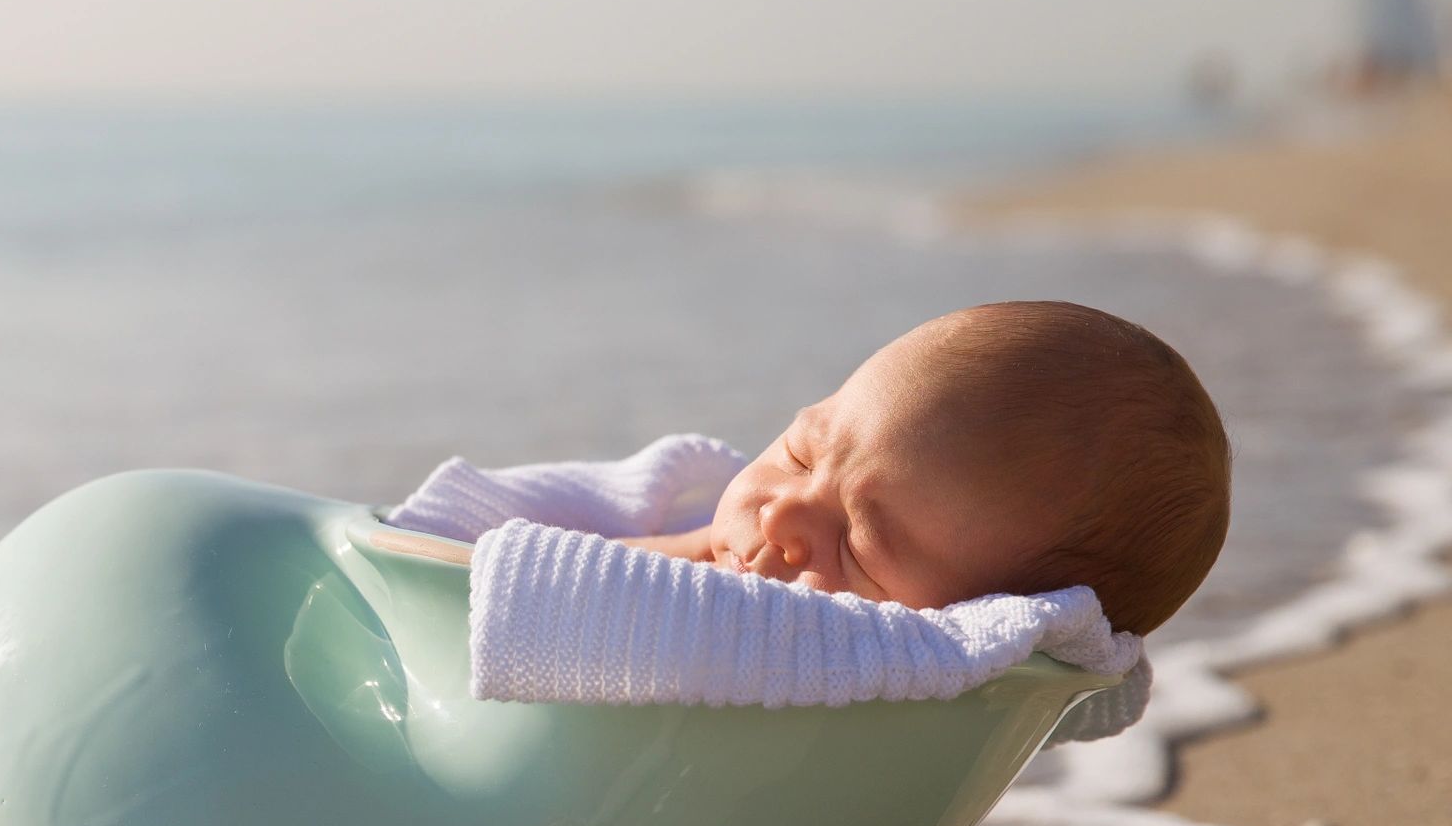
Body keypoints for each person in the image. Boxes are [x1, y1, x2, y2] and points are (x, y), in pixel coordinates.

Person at [433, 301, 1229, 635]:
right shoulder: (717, 551)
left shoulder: (892, 666)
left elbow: (558, 587)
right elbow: (517, 570)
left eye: (859, 541)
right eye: (801, 450)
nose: (780, 514)